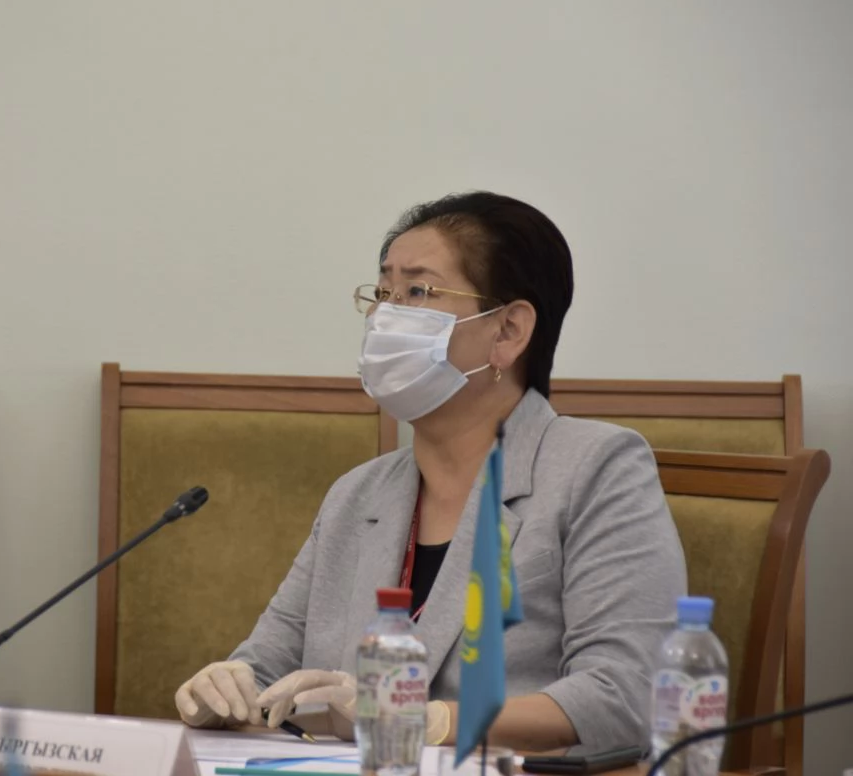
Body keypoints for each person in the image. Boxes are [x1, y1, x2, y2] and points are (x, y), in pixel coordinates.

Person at [173, 191, 687, 752]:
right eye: (383, 293)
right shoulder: (357, 494)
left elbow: (627, 692)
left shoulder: (596, 468)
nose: (385, 316)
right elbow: (267, 667)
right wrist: (227, 691)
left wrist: (426, 720)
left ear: (509, 331)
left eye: (418, 292)